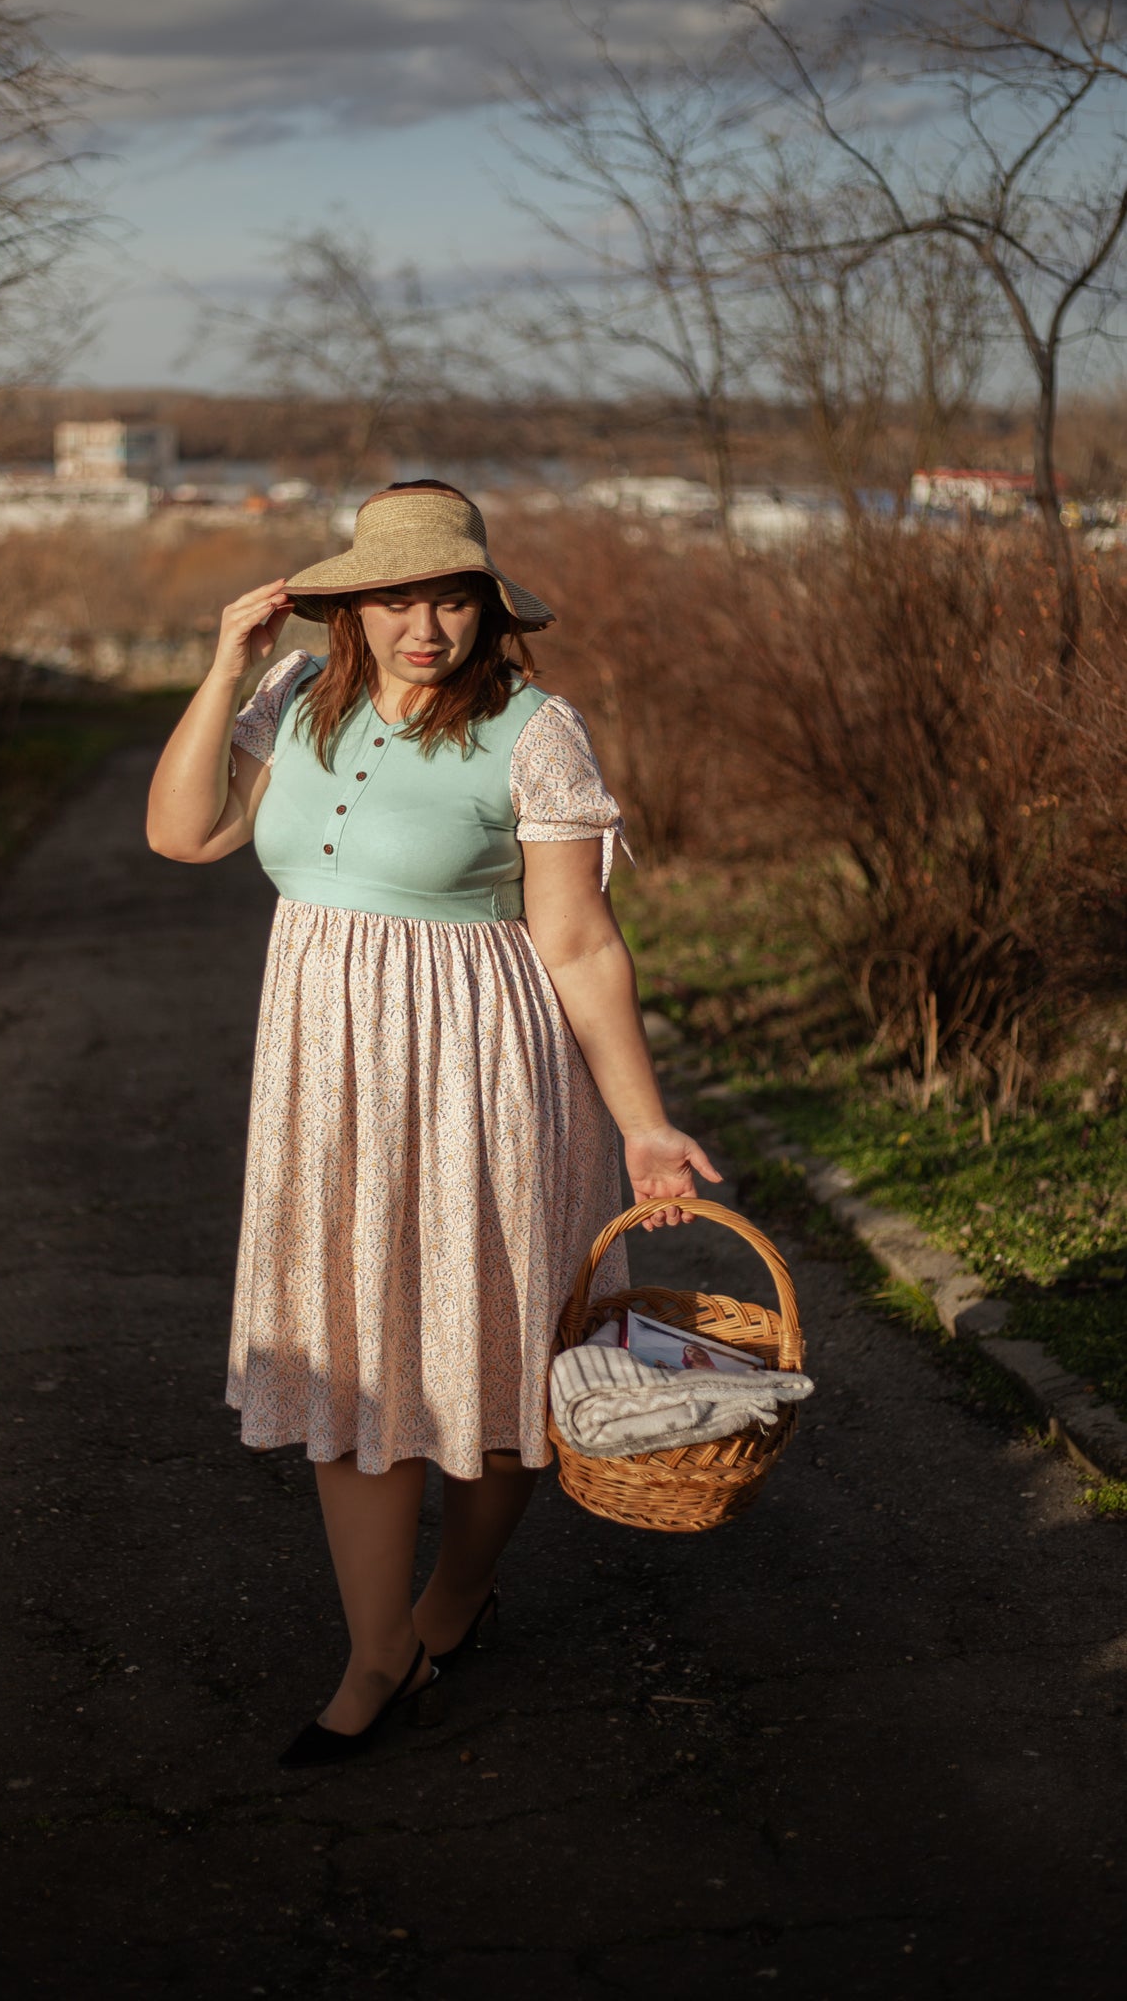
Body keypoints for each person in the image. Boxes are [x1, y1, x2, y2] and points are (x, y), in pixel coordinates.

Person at [146, 480, 720, 1766]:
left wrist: (641, 1123)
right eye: (397, 594)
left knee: (489, 1353)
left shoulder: (532, 728)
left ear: (486, 606)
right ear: (344, 604)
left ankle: (454, 1591)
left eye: (452, 594)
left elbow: (576, 943)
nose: (426, 622)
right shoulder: (288, 700)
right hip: (322, 1068)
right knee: (353, 1348)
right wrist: (228, 658)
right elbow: (183, 833)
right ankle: (377, 1651)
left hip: (486, 1071)